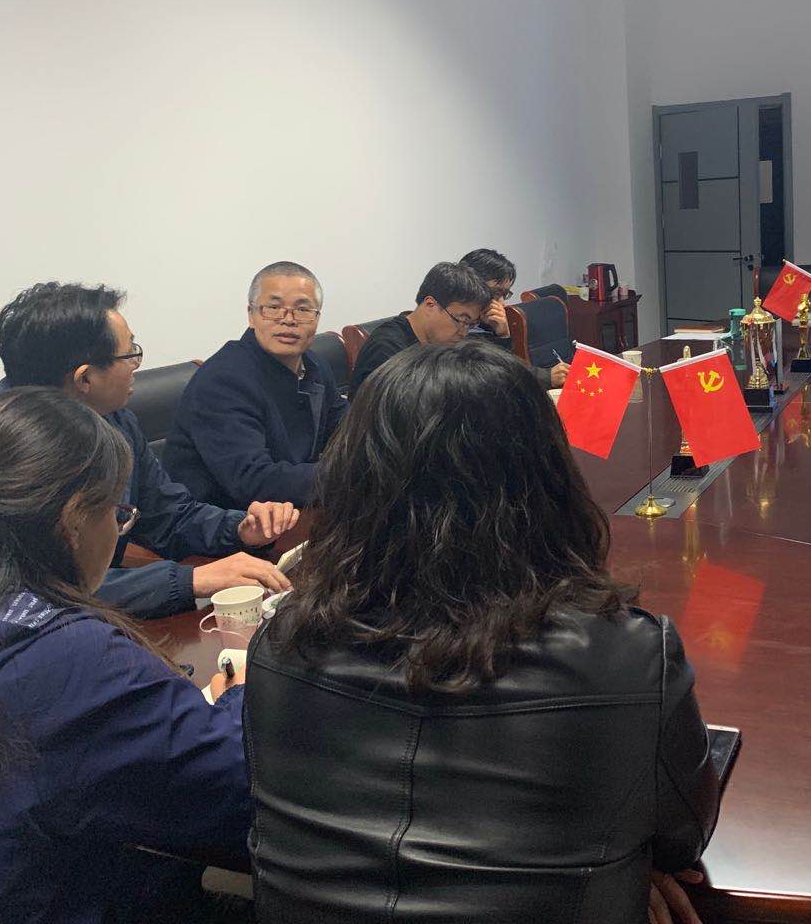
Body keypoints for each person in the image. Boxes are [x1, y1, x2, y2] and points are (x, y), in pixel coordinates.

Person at [245, 342, 719, 923]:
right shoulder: (628, 656)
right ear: (547, 477)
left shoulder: (281, 642)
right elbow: (681, 838)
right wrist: (621, 867)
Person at [0, 389, 252, 923]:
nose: (117, 529)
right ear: (73, 519)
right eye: (117, 514)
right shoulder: (70, 657)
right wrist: (238, 692)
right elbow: (240, 794)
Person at [0, 282, 294, 619]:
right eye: (129, 354)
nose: (136, 365)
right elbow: (41, 592)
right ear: (85, 379)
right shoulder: (5, 455)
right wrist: (190, 580)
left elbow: (169, 516)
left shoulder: (114, 418)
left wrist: (239, 529)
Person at [164, 261, 348, 510]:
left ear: (317, 319)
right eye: (273, 308)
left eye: (303, 310)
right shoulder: (223, 380)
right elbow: (252, 481)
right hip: (226, 520)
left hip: (294, 508)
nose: (288, 320)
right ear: (251, 315)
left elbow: (348, 429)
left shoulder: (314, 366)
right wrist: (347, 474)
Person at [348, 260, 492, 397]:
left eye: (471, 324)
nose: (464, 332)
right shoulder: (388, 350)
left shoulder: (438, 343)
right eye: (462, 320)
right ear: (430, 305)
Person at [460, 247, 570, 388]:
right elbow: (495, 377)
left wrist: (503, 335)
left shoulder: (487, 324)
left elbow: (511, 366)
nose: (502, 303)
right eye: (496, 293)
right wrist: (546, 378)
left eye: (504, 294)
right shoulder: (454, 329)